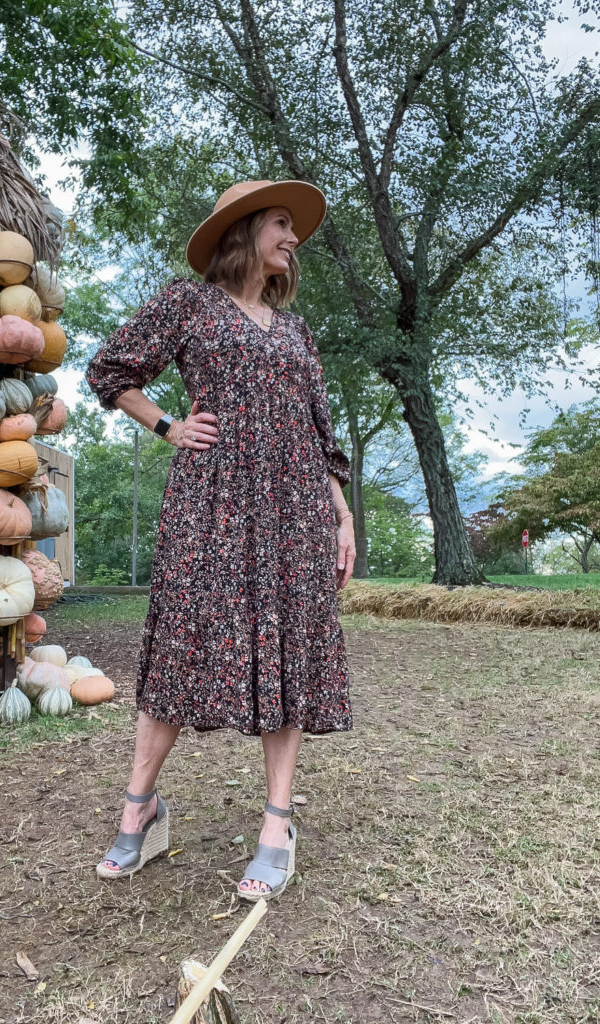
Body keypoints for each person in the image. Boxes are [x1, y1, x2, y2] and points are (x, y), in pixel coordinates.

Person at [85, 179, 356, 901]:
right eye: (280, 224)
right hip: (212, 503)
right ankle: (141, 806)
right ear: (242, 231)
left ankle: (277, 823)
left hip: (298, 509)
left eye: (293, 228)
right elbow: (110, 371)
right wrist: (168, 426)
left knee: (291, 647)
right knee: (182, 639)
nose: (293, 238)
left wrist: (342, 512)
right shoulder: (188, 303)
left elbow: (318, 432)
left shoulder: (297, 331)